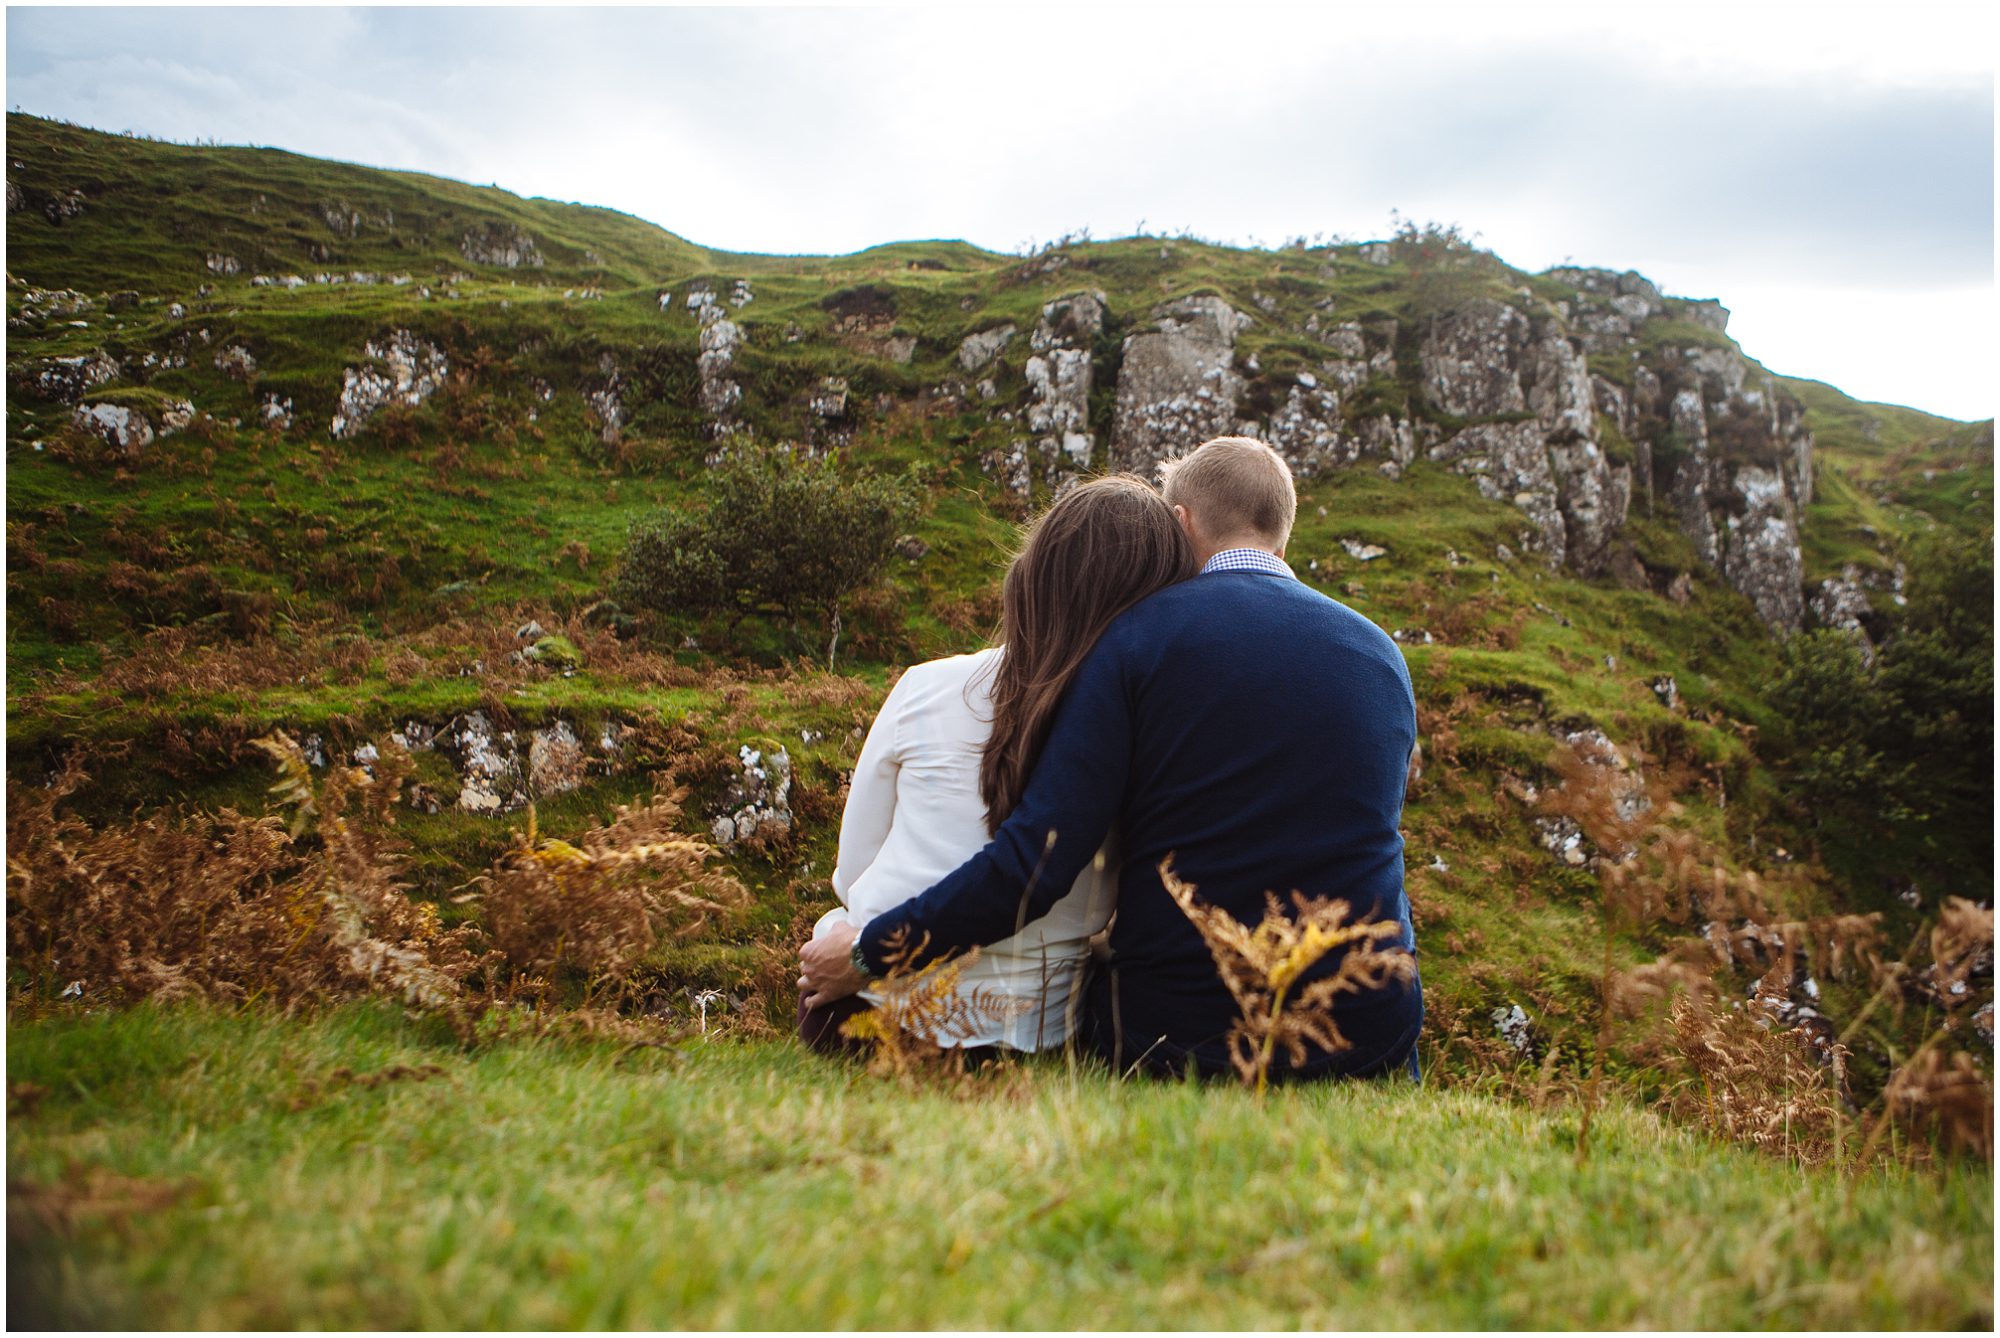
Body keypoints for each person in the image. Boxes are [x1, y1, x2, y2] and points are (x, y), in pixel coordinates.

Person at [801, 437, 1422, 1081]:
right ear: (1282, 540)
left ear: (1177, 523)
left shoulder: (1137, 638)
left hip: (1187, 1036)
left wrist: (873, 952)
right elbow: (1374, 845)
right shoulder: (1382, 657)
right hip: (1373, 1026)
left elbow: (1036, 862)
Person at [797, 475, 1197, 1054]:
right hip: (1034, 1037)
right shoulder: (1148, 729)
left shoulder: (926, 687)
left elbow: (853, 873)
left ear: (1035, 573)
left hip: (867, 1020)